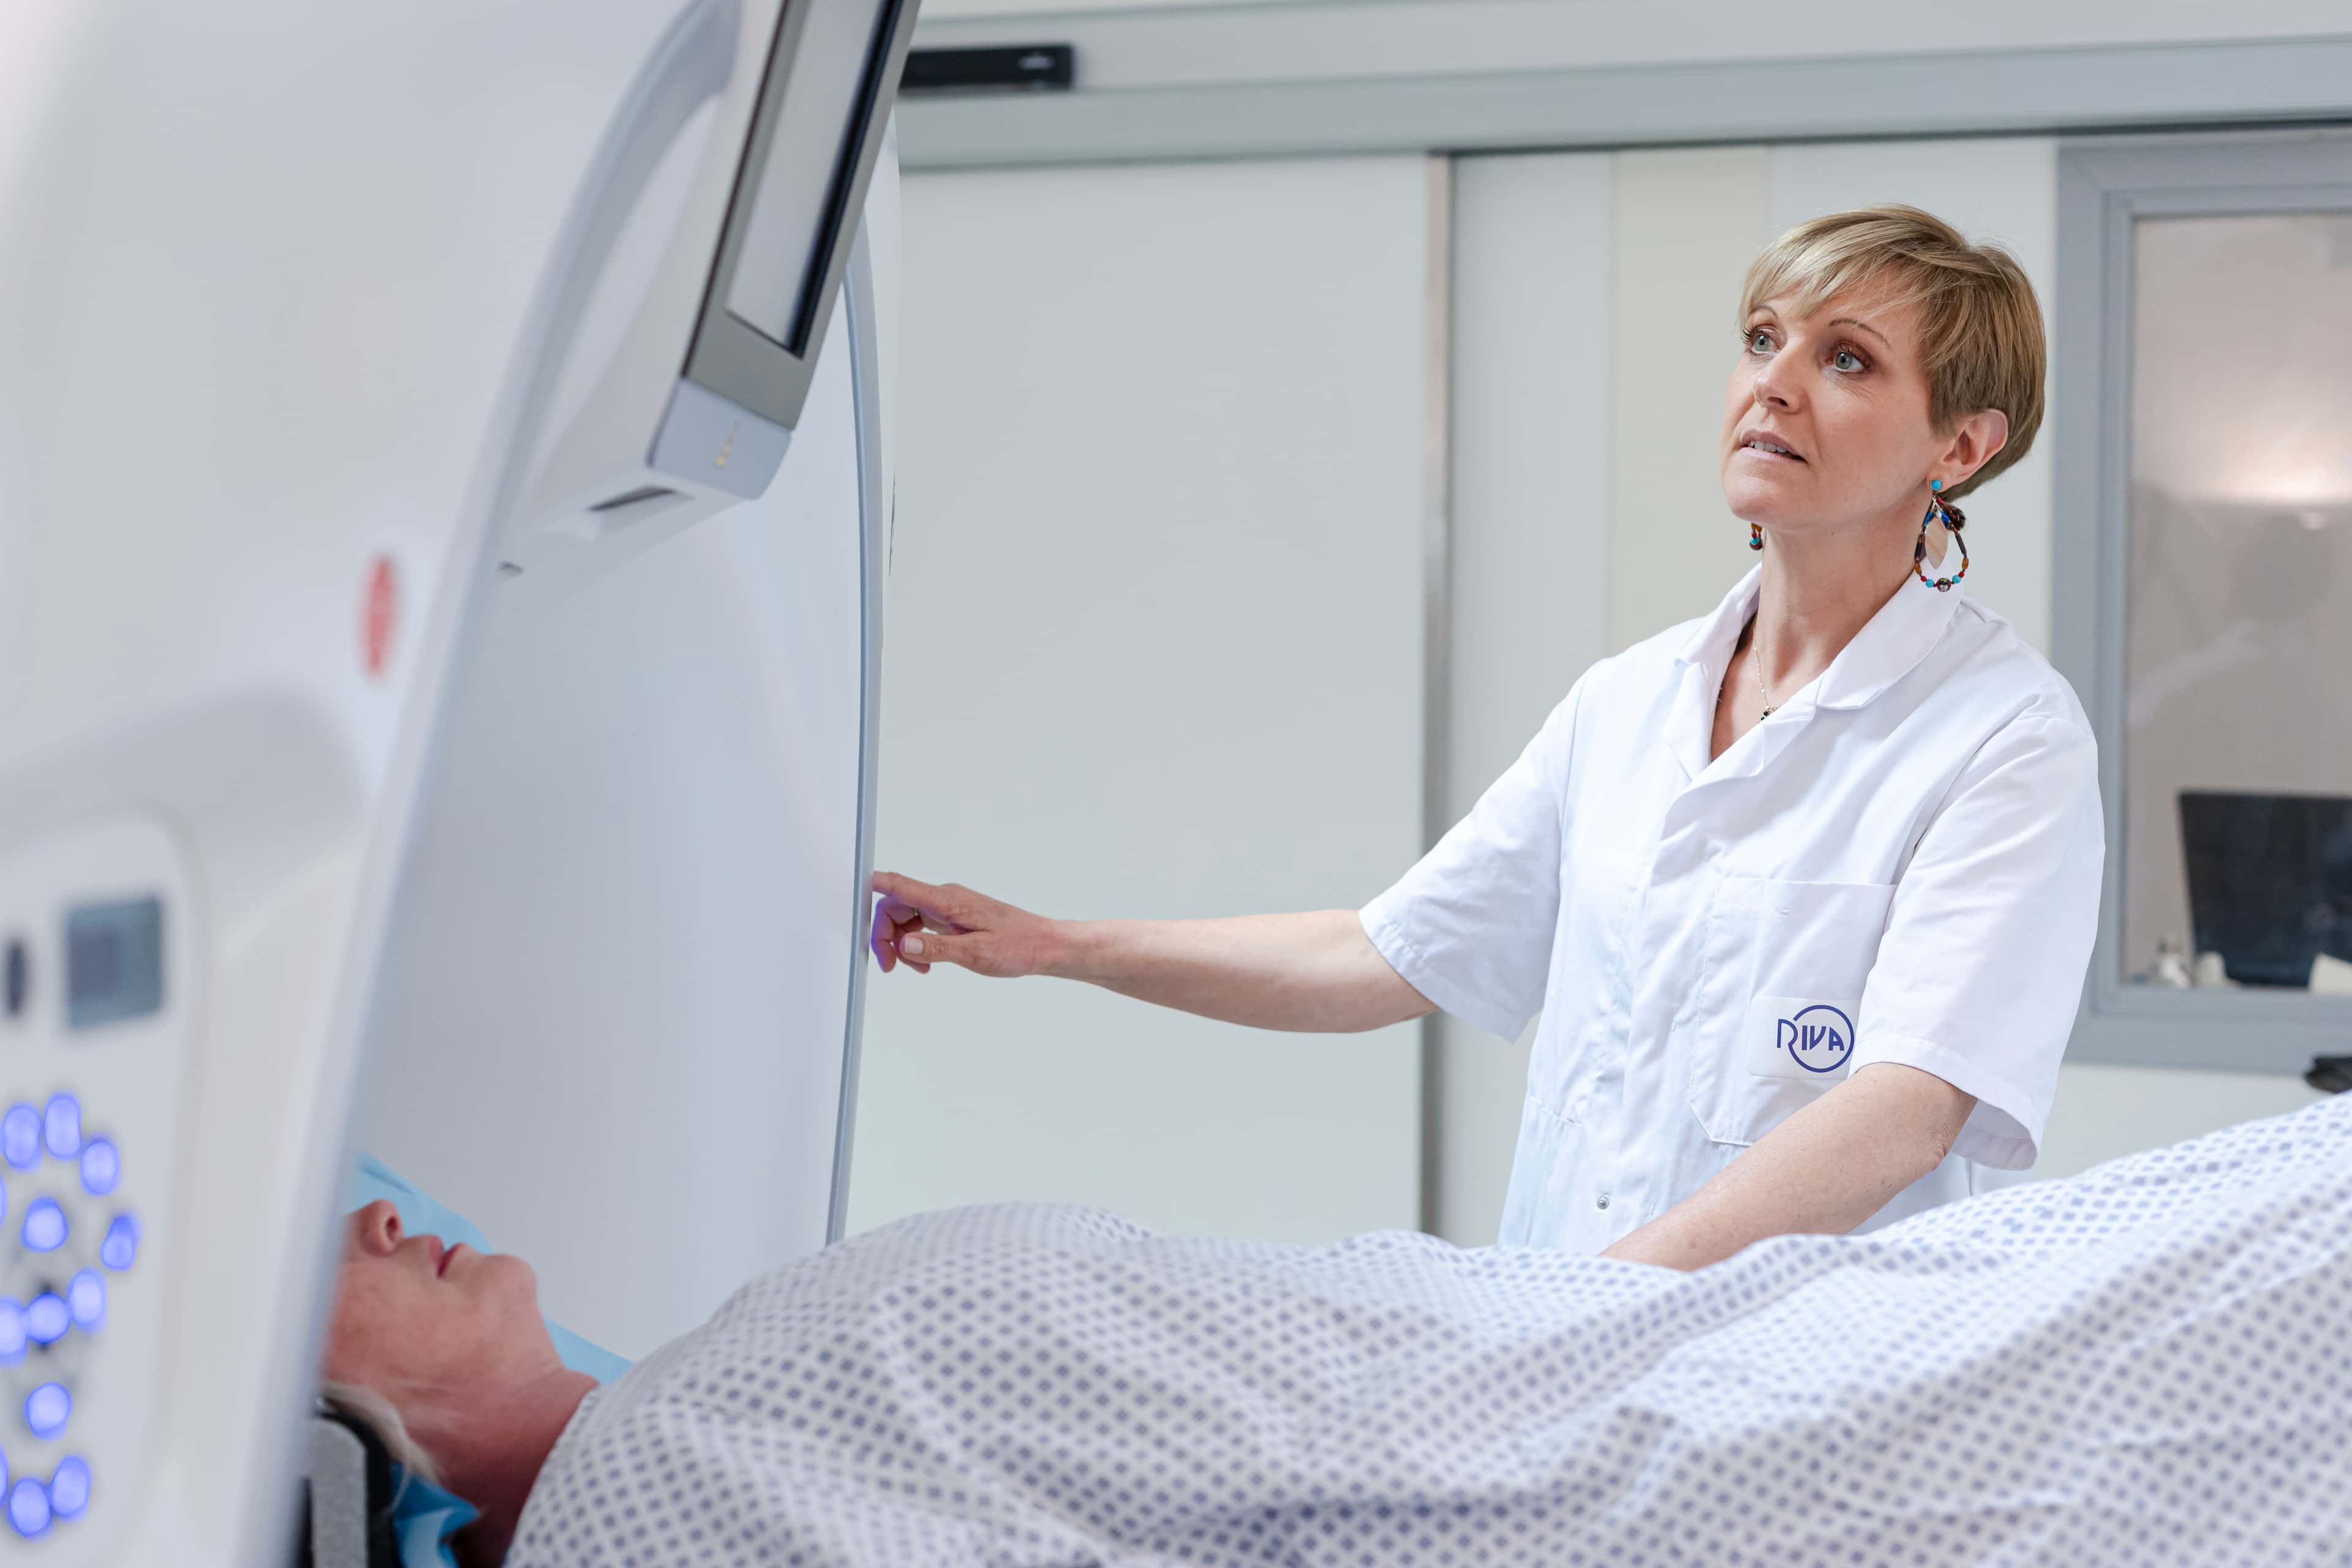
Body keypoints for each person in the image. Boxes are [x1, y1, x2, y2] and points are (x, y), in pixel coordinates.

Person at [870, 205, 2101, 1268]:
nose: (1772, 382)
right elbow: (1383, 954)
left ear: (1960, 445)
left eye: (1847, 359)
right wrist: (1055, 943)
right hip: (1555, 1345)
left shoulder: (2004, 736)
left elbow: (1904, 1108)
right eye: (1762, 338)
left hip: (1787, 1390)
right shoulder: (1627, 703)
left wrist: (1598, 1298)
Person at [322, 1092, 2352, 1566]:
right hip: (1661, 1457)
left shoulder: (705, 1405)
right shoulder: (679, 1480)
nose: (389, 1211)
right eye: (332, 1246)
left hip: (1626, 1389)